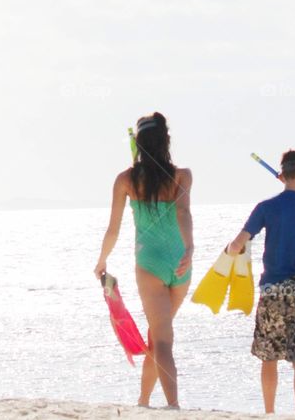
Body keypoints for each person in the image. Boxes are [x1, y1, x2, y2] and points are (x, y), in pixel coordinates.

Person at [227, 149, 295, 414]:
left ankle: (269, 413)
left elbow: (237, 245)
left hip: (272, 290)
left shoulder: (266, 207)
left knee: (269, 356)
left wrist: (231, 251)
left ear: (284, 175)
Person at [94, 112, 193, 409]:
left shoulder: (126, 180)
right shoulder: (182, 176)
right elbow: (183, 214)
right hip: (180, 264)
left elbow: (113, 228)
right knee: (158, 335)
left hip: (149, 264)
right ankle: (144, 401)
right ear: (166, 142)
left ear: (138, 145)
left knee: (161, 339)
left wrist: (102, 261)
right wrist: (189, 248)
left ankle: (173, 406)